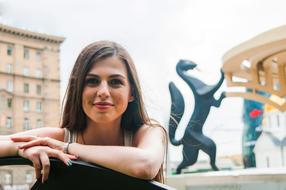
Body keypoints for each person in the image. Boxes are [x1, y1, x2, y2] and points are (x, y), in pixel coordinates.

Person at [0, 41, 166, 183]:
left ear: (132, 93)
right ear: (78, 90)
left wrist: (68, 148)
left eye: (115, 82)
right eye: (92, 81)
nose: (103, 92)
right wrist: (22, 149)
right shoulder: (58, 137)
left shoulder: (147, 132)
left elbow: (146, 164)